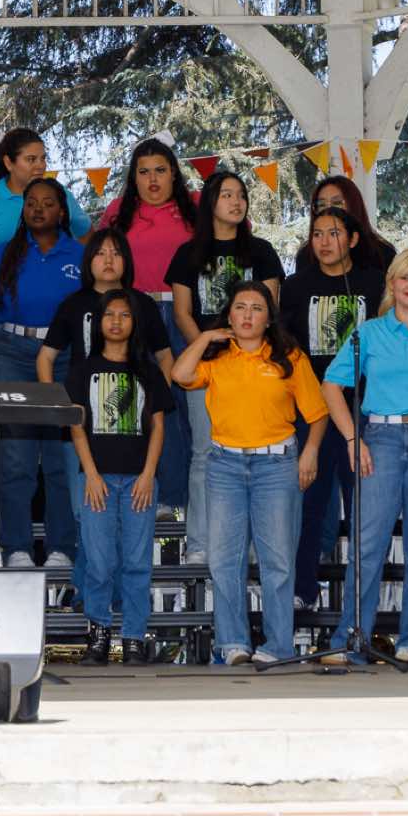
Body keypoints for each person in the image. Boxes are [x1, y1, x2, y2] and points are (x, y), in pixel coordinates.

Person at [171, 281, 325, 665]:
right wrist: (204, 336)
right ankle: (233, 644)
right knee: (225, 560)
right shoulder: (217, 356)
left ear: (268, 318)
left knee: (278, 561)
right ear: (229, 314)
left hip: (277, 465)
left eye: (257, 308)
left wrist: (310, 452)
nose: (247, 315)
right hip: (224, 465)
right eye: (240, 307)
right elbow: (180, 374)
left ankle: (278, 646)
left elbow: (318, 414)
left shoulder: (289, 357)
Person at [318, 250, 408, 666]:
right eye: (405, 278)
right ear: (392, 284)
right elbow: (331, 385)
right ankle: (352, 639)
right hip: (380, 439)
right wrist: (352, 437)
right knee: (366, 545)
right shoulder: (369, 332)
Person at [169, 171, 284, 564]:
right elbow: (182, 313)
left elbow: (270, 307)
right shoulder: (188, 254)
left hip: (253, 368)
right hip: (207, 369)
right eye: (227, 195)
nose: (237, 202)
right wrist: (207, 348)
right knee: (205, 453)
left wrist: (243, 351)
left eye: (241, 195)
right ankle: (200, 543)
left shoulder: (262, 251)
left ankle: (251, 544)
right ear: (210, 203)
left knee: (253, 454)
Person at [0, 177, 84, 569]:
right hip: (12, 354)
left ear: (62, 211)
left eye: (47, 202)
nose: (38, 209)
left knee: (60, 459)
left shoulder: (79, 254)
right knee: (15, 459)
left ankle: (61, 548)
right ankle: (16, 548)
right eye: (31, 202)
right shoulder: (7, 253)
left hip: (63, 358)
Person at [279, 206, 386, 607]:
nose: (324, 242)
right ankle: (303, 590)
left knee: (364, 504)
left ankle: (363, 596)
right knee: (310, 501)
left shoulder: (375, 283)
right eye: (317, 233)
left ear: (353, 239)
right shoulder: (295, 286)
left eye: (334, 233)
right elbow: (286, 346)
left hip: (364, 406)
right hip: (315, 410)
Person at [65, 288, 170, 666]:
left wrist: (148, 474)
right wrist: (92, 474)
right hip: (98, 480)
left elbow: (158, 428)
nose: (116, 321)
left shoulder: (149, 371)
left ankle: (134, 637)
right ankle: (98, 635)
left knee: (138, 561)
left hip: (139, 480)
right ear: (98, 322)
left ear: (134, 323)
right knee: (98, 562)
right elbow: (76, 427)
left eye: (125, 315)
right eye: (110, 314)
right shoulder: (82, 370)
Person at [99, 138, 200, 519]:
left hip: (185, 312)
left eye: (160, 170)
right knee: (150, 407)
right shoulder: (118, 212)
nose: (152, 180)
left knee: (191, 408)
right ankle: (161, 497)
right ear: (134, 178)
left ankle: (196, 500)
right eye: (143, 172)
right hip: (137, 313)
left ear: (174, 173)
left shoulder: (196, 208)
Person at [38, 228, 174, 387]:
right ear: (89, 260)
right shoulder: (73, 304)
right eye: (100, 253)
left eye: (116, 253)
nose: (108, 261)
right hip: (82, 397)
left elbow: (165, 356)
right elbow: (45, 357)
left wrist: (158, 397)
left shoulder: (144, 303)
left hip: (135, 396)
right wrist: (53, 399)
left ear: (126, 261)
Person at [0, 127, 90, 270]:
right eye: (31, 159)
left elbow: (87, 236)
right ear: (9, 163)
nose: (40, 166)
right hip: (0, 284)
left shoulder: (60, 194)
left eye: (43, 158)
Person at [291, 175, 397, 273]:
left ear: (354, 205)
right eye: (321, 205)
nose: (329, 209)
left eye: (337, 203)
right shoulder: (306, 255)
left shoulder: (382, 253)